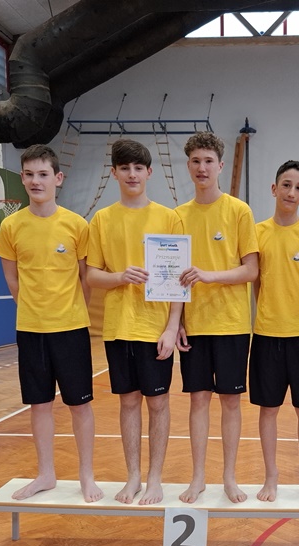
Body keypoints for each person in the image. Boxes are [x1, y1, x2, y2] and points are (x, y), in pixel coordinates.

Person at [0, 144, 103, 503]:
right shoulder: (11, 226)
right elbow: (12, 279)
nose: (35, 181)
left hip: (70, 329)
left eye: (43, 174)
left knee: (79, 404)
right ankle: (46, 474)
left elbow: (86, 279)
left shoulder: (77, 225)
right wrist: (33, 309)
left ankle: (86, 475)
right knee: (39, 404)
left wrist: (68, 310)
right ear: (22, 178)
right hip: (31, 330)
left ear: (58, 178)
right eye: (29, 174)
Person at [86, 139, 184, 505]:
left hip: (155, 328)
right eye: (124, 168)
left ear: (149, 172)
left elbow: (179, 280)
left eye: (138, 168)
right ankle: (133, 478)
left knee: (158, 403)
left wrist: (172, 327)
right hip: (118, 328)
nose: (132, 174)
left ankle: (155, 478)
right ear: (114, 173)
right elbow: (92, 274)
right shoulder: (102, 219)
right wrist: (119, 277)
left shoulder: (169, 218)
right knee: (128, 402)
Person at [175, 131, 259, 504]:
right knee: (197, 401)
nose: (202, 167)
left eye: (208, 161)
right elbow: (173, 277)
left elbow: (251, 270)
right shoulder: (177, 216)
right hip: (194, 325)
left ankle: (229, 477)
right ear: (188, 166)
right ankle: (197, 478)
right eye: (196, 161)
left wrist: (210, 276)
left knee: (230, 402)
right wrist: (176, 322)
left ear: (220, 165)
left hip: (231, 324)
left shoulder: (239, 211)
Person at [251, 160, 299, 504]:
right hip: (266, 335)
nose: (291, 192)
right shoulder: (257, 233)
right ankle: (271, 476)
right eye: (286, 185)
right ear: (274, 188)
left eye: (298, 187)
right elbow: (257, 284)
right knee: (268, 409)